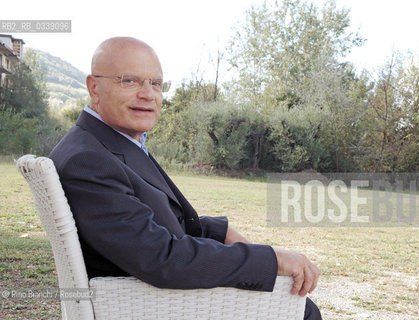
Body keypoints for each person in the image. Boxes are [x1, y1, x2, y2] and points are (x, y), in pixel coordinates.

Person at [49, 37, 321, 319]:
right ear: (94, 87)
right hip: (153, 304)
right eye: (129, 81)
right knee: (300, 310)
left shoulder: (113, 144)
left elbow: (163, 223)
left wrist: (222, 233)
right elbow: (163, 259)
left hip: (160, 293)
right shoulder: (89, 160)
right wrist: (271, 259)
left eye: (156, 84)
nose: (148, 94)